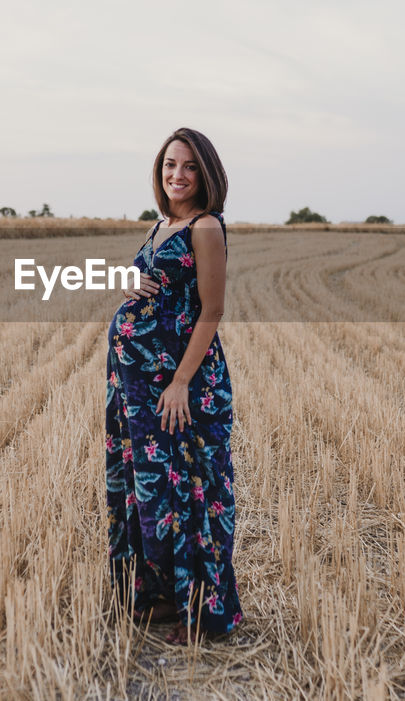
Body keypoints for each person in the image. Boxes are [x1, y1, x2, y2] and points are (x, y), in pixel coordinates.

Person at [105, 128, 242, 644]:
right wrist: (124, 281)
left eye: (188, 166)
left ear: (205, 172)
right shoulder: (162, 223)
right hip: (135, 384)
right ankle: (160, 596)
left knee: (187, 490)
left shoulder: (205, 226)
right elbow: (148, 282)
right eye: (169, 165)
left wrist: (181, 381)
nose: (177, 175)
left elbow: (211, 310)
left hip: (179, 384)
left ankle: (201, 611)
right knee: (147, 490)